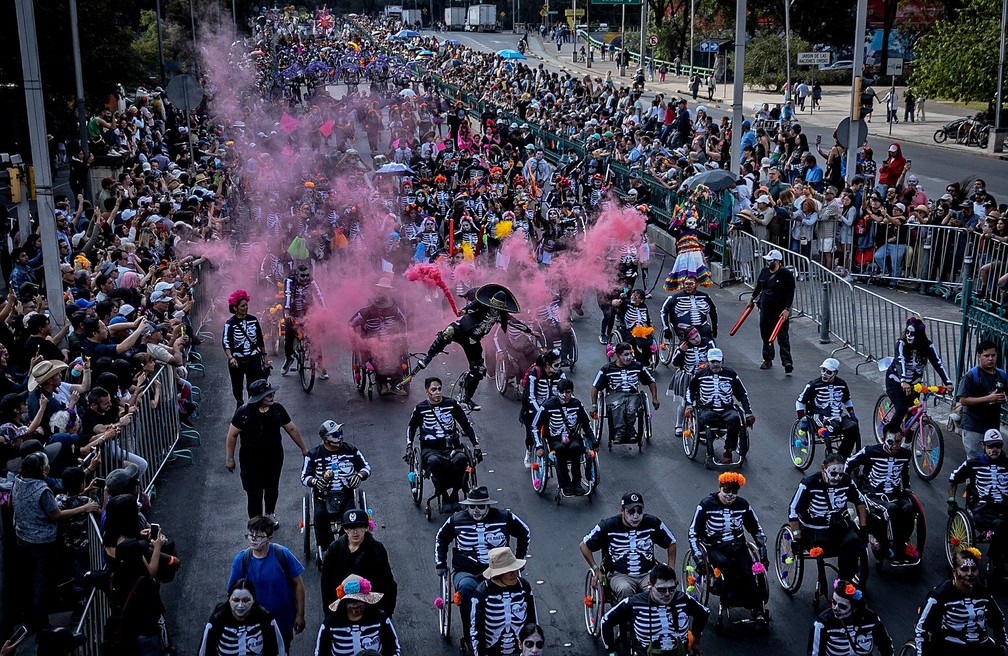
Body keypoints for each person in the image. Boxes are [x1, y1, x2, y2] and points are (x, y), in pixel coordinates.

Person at [11, 451, 98, 631]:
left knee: (29, 581)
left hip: (22, 537)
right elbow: (56, 514)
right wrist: (84, 507)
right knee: (41, 583)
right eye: (46, 464)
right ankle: (42, 624)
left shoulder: (18, 482)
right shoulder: (42, 490)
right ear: (41, 469)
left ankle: (31, 618)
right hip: (42, 542)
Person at [415, 283, 534, 410]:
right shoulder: (480, 304)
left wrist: (530, 331)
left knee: (479, 370)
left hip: (473, 341)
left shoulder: (501, 315)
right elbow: (469, 308)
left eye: (497, 309)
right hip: (461, 330)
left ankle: (466, 398)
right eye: (493, 307)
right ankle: (428, 357)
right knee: (448, 332)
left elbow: (515, 323)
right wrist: (463, 312)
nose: (495, 311)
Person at [435, 487, 531, 639]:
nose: (476, 510)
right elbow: (441, 537)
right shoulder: (456, 519)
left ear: (488, 506)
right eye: (472, 506)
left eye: (480, 506)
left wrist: (519, 559)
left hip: (499, 570)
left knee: (518, 589)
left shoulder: (504, 517)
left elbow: (524, 532)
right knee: (466, 589)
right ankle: (469, 636)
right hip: (466, 571)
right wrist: (440, 563)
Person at [688, 472, 769, 621]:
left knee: (749, 572)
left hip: (738, 546)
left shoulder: (743, 505)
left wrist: (762, 552)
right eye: (726, 491)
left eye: (734, 493)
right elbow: (693, 533)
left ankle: (756, 607)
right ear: (720, 488)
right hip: (714, 547)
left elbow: (756, 528)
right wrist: (699, 558)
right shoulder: (706, 505)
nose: (730, 496)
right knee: (725, 566)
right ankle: (729, 599)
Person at [226, 379, 308, 524]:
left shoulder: (278, 409)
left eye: (272, 394)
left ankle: (270, 514)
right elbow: (232, 435)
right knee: (254, 493)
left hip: (274, 458)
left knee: (272, 488)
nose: (272, 396)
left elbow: (291, 429)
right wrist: (229, 459)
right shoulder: (243, 413)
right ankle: (256, 523)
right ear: (257, 398)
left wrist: (303, 449)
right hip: (250, 461)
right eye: (268, 395)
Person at [227, 515, 307, 651]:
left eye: (258, 536)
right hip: (253, 625)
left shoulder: (282, 554)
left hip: (283, 622)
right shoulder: (241, 561)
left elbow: (298, 584)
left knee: (282, 650)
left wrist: (300, 615)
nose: (253, 539)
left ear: (270, 538)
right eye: (250, 535)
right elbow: (231, 594)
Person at [580, 492, 678, 602]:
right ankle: (626, 617)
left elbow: (671, 542)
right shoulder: (608, 526)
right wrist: (596, 569)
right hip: (619, 574)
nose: (636, 516)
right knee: (625, 589)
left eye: (639, 511)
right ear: (622, 511)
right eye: (631, 512)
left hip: (648, 573)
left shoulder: (653, 523)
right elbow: (584, 546)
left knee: (657, 591)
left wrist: (671, 571)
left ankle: (652, 617)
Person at [404, 376, 481, 510]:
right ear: (427, 391)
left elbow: (465, 424)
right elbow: (411, 427)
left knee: (461, 460)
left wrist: (476, 445)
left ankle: (455, 494)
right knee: (434, 463)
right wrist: (409, 445)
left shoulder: (451, 404)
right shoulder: (420, 409)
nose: (437, 392)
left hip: (451, 447)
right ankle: (444, 495)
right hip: (431, 449)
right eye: (433, 389)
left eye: (439, 389)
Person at [789, 453, 868, 581]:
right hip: (814, 529)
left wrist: (863, 527)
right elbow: (793, 509)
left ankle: (844, 580)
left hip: (839, 527)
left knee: (853, 540)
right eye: (833, 474)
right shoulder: (809, 484)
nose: (837, 478)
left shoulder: (847, 481)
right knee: (827, 547)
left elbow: (859, 501)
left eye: (840, 474)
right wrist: (797, 537)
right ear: (823, 469)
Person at [600, 563, 707, 656]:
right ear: (650, 585)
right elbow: (606, 621)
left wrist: (696, 639)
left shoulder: (683, 599)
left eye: (671, 589)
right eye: (661, 590)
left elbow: (703, 613)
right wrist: (611, 651)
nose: (667, 594)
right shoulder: (633, 603)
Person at [915, 549, 1007, 656]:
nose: (970, 573)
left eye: (973, 569)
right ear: (954, 571)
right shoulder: (940, 595)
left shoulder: (984, 593)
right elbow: (921, 628)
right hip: (950, 648)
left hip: (981, 647)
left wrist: (1002, 644)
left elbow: (998, 620)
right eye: (964, 569)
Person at [847, 429, 917, 564]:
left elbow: (905, 473)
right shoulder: (870, 451)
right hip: (873, 495)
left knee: (909, 508)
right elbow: (849, 463)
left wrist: (907, 488)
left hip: (895, 494)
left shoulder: (905, 454)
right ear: (884, 440)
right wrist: (850, 486)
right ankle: (893, 547)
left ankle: (904, 539)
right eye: (891, 442)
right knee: (890, 509)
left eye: (898, 441)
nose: (895, 445)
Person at [301, 420, 370, 553]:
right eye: (335, 434)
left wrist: (359, 476)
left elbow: (366, 467)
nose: (340, 437)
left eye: (340, 433)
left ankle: (346, 546)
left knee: (351, 518)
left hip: (346, 495)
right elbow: (304, 477)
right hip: (323, 496)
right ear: (325, 438)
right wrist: (316, 482)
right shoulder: (313, 455)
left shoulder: (351, 450)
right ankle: (327, 549)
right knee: (320, 517)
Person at [948, 429, 1008, 577]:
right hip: (982, 509)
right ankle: (996, 558)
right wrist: (951, 500)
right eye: (991, 446)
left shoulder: (1006, 464)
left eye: (998, 446)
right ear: (983, 446)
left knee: (1002, 523)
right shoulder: (973, 463)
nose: (994, 450)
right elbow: (954, 477)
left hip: (1004, 507)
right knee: (999, 525)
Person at [320, 509, 398, 618]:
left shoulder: (377, 549)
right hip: (343, 607)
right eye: (350, 528)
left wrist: (387, 611)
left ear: (366, 528)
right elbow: (326, 584)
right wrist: (329, 613)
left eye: (359, 526)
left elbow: (387, 583)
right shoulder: (334, 549)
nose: (355, 532)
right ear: (345, 529)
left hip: (371, 606)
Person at [882, 317, 953, 436]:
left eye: (912, 333)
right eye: (907, 332)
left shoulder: (928, 346)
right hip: (895, 380)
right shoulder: (901, 344)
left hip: (914, 384)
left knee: (913, 412)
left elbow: (938, 363)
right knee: (901, 409)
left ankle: (908, 442)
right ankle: (889, 434)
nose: (909, 336)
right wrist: (903, 381)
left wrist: (948, 382)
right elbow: (900, 361)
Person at [685, 348, 756, 463]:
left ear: (722, 361)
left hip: (727, 409)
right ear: (708, 362)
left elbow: (743, 394)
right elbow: (690, 391)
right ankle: (709, 446)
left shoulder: (731, 374)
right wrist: (688, 406)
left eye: (717, 361)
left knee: (735, 418)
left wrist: (748, 413)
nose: (715, 364)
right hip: (707, 409)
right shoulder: (700, 375)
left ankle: (728, 451)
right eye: (712, 362)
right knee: (704, 419)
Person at [470, 547, 537, 656]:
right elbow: (476, 629)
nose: (514, 573)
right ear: (498, 574)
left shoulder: (524, 586)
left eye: (515, 569)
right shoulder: (482, 593)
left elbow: (532, 619)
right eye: (509, 571)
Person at [533, 378, 596, 495]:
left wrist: (593, 440)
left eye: (568, 392)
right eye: (562, 392)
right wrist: (539, 446)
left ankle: (577, 482)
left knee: (576, 448)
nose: (565, 395)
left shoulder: (577, 404)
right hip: (554, 438)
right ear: (557, 392)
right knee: (560, 449)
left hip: (573, 437)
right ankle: (565, 483)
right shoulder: (547, 406)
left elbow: (586, 424)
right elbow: (535, 426)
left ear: (571, 392)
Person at [347, 276, 409, 395]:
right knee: (376, 356)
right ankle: (383, 384)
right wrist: (356, 340)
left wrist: (402, 336)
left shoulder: (394, 309)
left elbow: (403, 321)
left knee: (397, 355)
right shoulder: (365, 311)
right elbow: (350, 324)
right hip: (372, 343)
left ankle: (396, 384)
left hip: (391, 341)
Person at [591, 342, 660, 445]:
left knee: (631, 409)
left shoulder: (638, 367)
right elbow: (595, 387)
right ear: (618, 355)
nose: (629, 357)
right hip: (614, 395)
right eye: (626, 355)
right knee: (618, 406)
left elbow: (651, 381)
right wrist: (594, 405)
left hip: (632, 395)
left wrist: (654, 398)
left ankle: (629, 431)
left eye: (630, 354)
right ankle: (620, 432)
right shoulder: (607, 369)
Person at [314, 574, 401, 656]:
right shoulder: (331, 622)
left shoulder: (380, 618)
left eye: (358, 600)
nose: (355, 605)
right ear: (344, 603)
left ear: (365, 600)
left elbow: (394, 648)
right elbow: (320, 652)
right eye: (350, 601)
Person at [198, 578, 287, 656]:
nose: (240, 606)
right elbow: (203, 652)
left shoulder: (265, 618)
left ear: (253, 600)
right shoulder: (217, 620)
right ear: (229, 600)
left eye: (246, 600)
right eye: (236, 600)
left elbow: (279, 651)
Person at [808, 578, 893, 656]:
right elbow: (814, 654)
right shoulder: (822, 624)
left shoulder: (871, 619)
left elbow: (886, 646)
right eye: (834, 602)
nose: (835, 608)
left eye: (842, 606)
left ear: (854, 609)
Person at [796, 358, 861, 457]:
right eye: (823, 370)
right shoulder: (813, 385)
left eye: (828, 372)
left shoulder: (842, 384)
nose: (824, 374)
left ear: (835, 373)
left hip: (838, 415)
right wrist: (802, 418)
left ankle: (843, 455)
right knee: (829, 429)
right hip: (820, 415)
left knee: (853, 427)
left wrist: (851, 413)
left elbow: (846, 400)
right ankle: (831, 457)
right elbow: (800, 401)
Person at [955, 340, 1008, 460]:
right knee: (975, 460)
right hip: (973, 426)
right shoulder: (972, 375)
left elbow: (1006, 394)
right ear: (979, 356)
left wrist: (1003, 398)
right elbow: (963, 400)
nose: (990, 359)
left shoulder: (1002, 375)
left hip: (992, 426)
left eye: (993, 355)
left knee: (993, 459)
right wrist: (988, 398)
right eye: (986, 356)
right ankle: (971, 479)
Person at [748, 249, 795, 372]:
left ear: (778, 261)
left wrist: (786, 309)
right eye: (767, 260)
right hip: (765, 309)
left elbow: (790, 292)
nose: (768, 263)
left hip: (780, 311)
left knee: (782, 336)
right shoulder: (764, 272)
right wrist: (752, 298)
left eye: (771, 261)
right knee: (766, 335)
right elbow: (759, 286)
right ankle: (767, 359)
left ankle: (787, 362)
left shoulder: (786, 274)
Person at [223, 289, 270, 408]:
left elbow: (259, 339)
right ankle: (240, 405)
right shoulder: (230, 323)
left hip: (253, 357)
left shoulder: (253, 320)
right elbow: (226, 342)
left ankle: (253, 406)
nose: (246, 307)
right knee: (237, 385)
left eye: (246, 305)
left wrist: (265, 356)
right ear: (235, 308)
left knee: (254, 384)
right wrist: (231, 358)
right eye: (242, 305)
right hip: (237, 360)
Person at [520, 349, 566, 468]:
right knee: (531, 434)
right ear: (547, 364)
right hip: (533, 409)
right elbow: (531, 397)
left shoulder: (560, 375)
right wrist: (541, 411)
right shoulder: (535, 374)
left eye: (560, 364)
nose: (558, 367)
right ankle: (529, 451)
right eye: (556, 365)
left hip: (553, 410)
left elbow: (567, 392)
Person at [281, 264, 326, 378]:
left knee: (315, 338)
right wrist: (286, 313)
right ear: (297, 274)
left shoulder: (311, 281)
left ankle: (320, 366)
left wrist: (324, 309)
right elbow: (287, 295)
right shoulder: (289, 281)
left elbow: (319, 294)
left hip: (308, 312)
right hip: (292, 313)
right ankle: (289, 359)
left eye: (307, 275)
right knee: (289, 336)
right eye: (302, 276)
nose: (305, 278)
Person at [661, 275, 718, 340]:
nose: (688, 286)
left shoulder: (705, 296)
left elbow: (713, 311)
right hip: (683, 328)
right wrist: (666, 328)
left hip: (702, 327)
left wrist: (714, 328)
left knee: (708, 336)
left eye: (691, 284)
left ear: (696, 284)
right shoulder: (675, 297)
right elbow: (664, 311)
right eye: (686, 284)